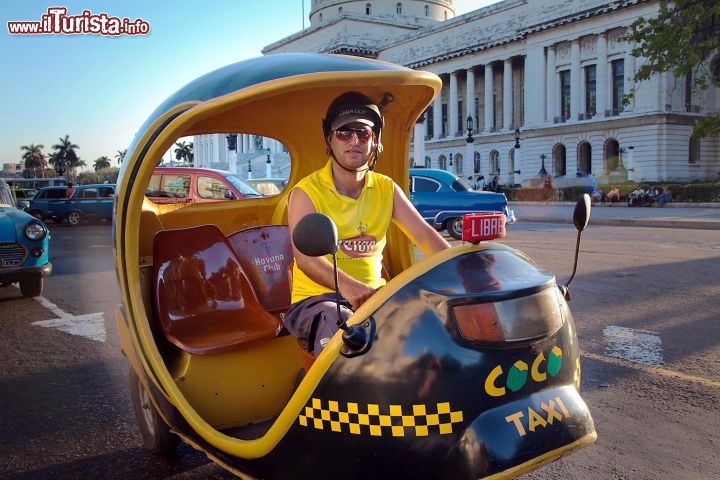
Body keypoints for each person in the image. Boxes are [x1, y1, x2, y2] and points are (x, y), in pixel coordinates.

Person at [284, 91, 451, 356]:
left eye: (364, 134)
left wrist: (465, 269)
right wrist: (350, 288)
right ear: (330, 139)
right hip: (318, 301)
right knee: (346, 345)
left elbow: (424, 234)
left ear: (375, 142)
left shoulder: (386, 188)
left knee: (438, 336)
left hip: (375, 298)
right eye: (344, 133)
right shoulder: (306, 192)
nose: (354, 141)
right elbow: (306, 258)